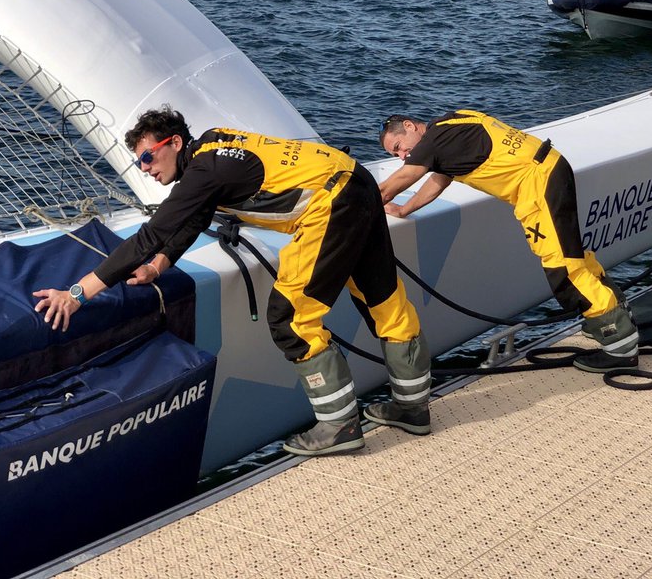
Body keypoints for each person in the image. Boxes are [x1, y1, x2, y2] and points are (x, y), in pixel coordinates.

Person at [34, 107, 431, 455]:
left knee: (290, 318)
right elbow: (193, 219)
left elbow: (149, 235)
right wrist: (158, 268)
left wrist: (76, 294)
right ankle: (412, 408)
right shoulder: (214, 150)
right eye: (139, 163)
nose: (146, 169)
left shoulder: (205, 167)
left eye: (148, 157)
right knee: (384, 302)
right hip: (355, 182)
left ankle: (339, 425)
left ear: (174, 142)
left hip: (332, 205)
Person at [378, 110, 639, 373]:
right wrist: (404, 210)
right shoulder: (451, 124)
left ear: (410, 126)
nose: (402, 156)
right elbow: (439, 180)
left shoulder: (434, 140)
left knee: (563, 268)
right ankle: (613, 318)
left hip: (537, 185)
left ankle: (619, 341)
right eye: (395, 155)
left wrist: (365, 203)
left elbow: (405, 176)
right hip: (547, 170)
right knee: (573, 256)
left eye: (399, 147)